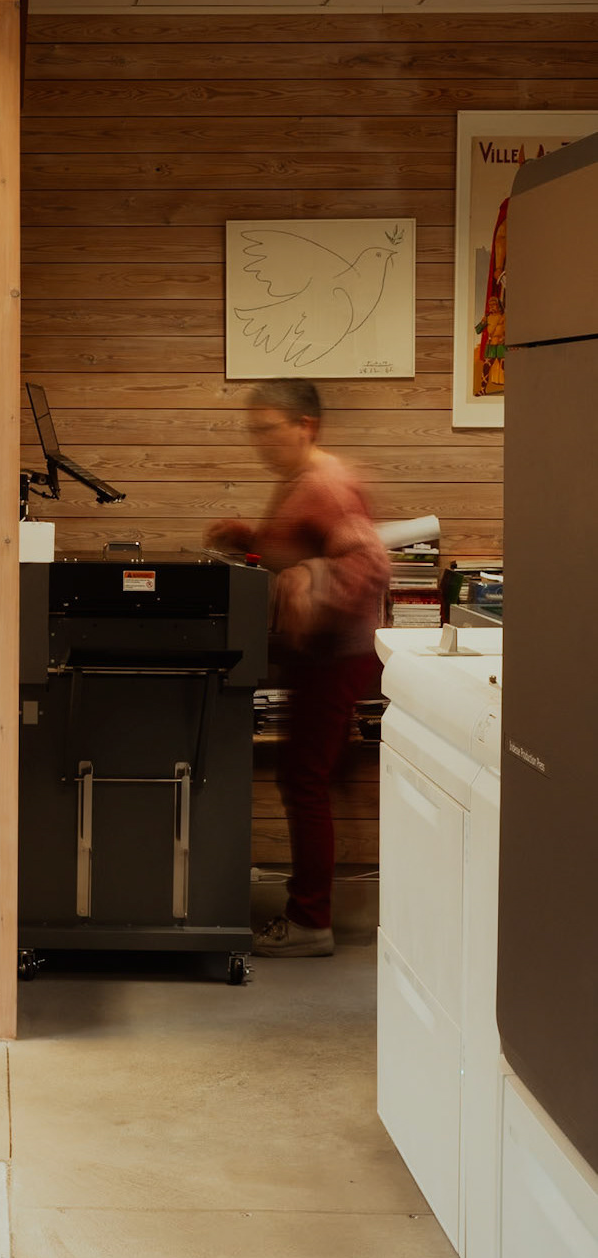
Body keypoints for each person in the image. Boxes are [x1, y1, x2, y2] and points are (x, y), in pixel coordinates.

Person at [205, 378, 389, 959]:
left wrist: (315, 581)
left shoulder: (326, 485)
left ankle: (310, 921)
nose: (259, 441)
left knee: (303, 780)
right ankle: (330, 904)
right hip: (317, 657)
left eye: (268, 429)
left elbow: (369, 565)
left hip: (334, 658)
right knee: (317, 777)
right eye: (253, 430)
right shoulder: (300, 484)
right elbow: (304, 549)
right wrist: (251, 540)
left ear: (304, 426)